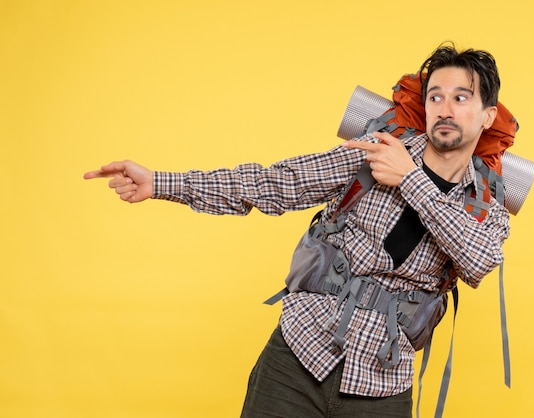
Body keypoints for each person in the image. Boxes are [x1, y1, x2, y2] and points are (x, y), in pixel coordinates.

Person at [84, 44, 510, 418]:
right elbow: (274, 183)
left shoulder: (488, 205)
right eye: (436, 96)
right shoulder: (374, 150)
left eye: (461, 98)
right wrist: (161, 182)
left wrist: (409, 179)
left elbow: (478, 263)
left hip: (383, 383)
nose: (446, 108)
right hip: (298, 356)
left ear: (488, 116)